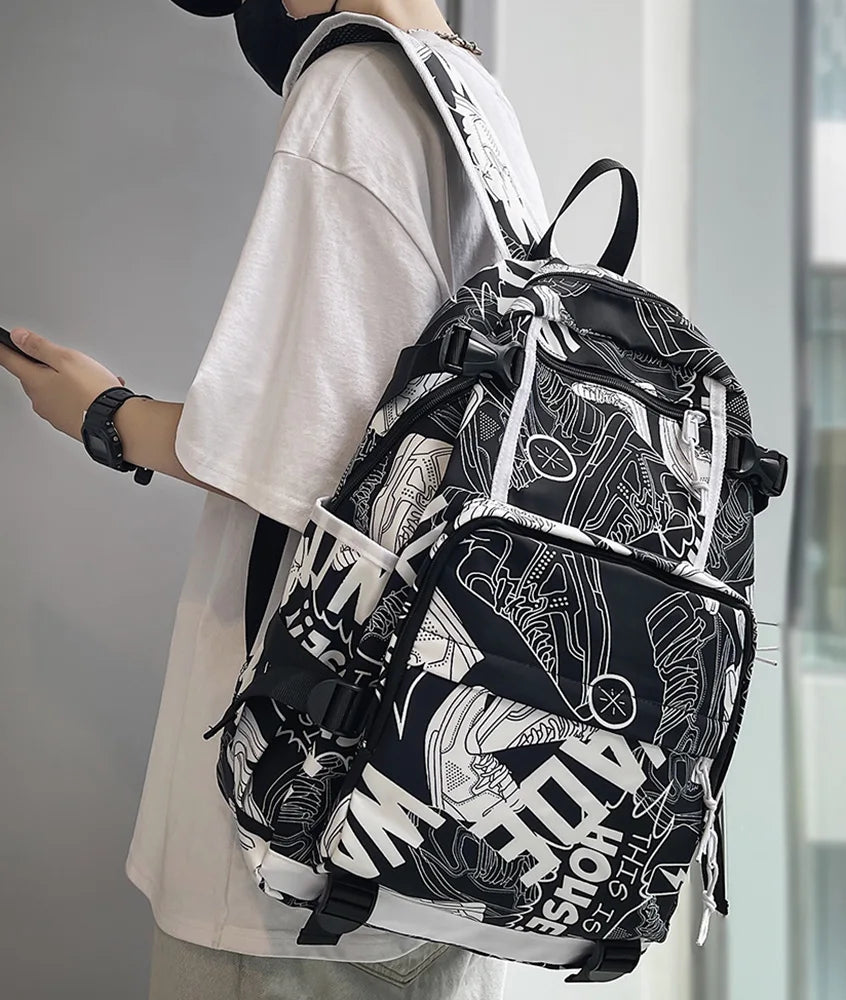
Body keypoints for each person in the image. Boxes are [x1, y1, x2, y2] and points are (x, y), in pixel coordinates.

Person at [0, 1, 548, 997]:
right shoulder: (477, 100)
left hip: (288, 852)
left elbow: (290, 451)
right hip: (432, 818)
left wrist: (101, 414)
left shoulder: (354, 89)